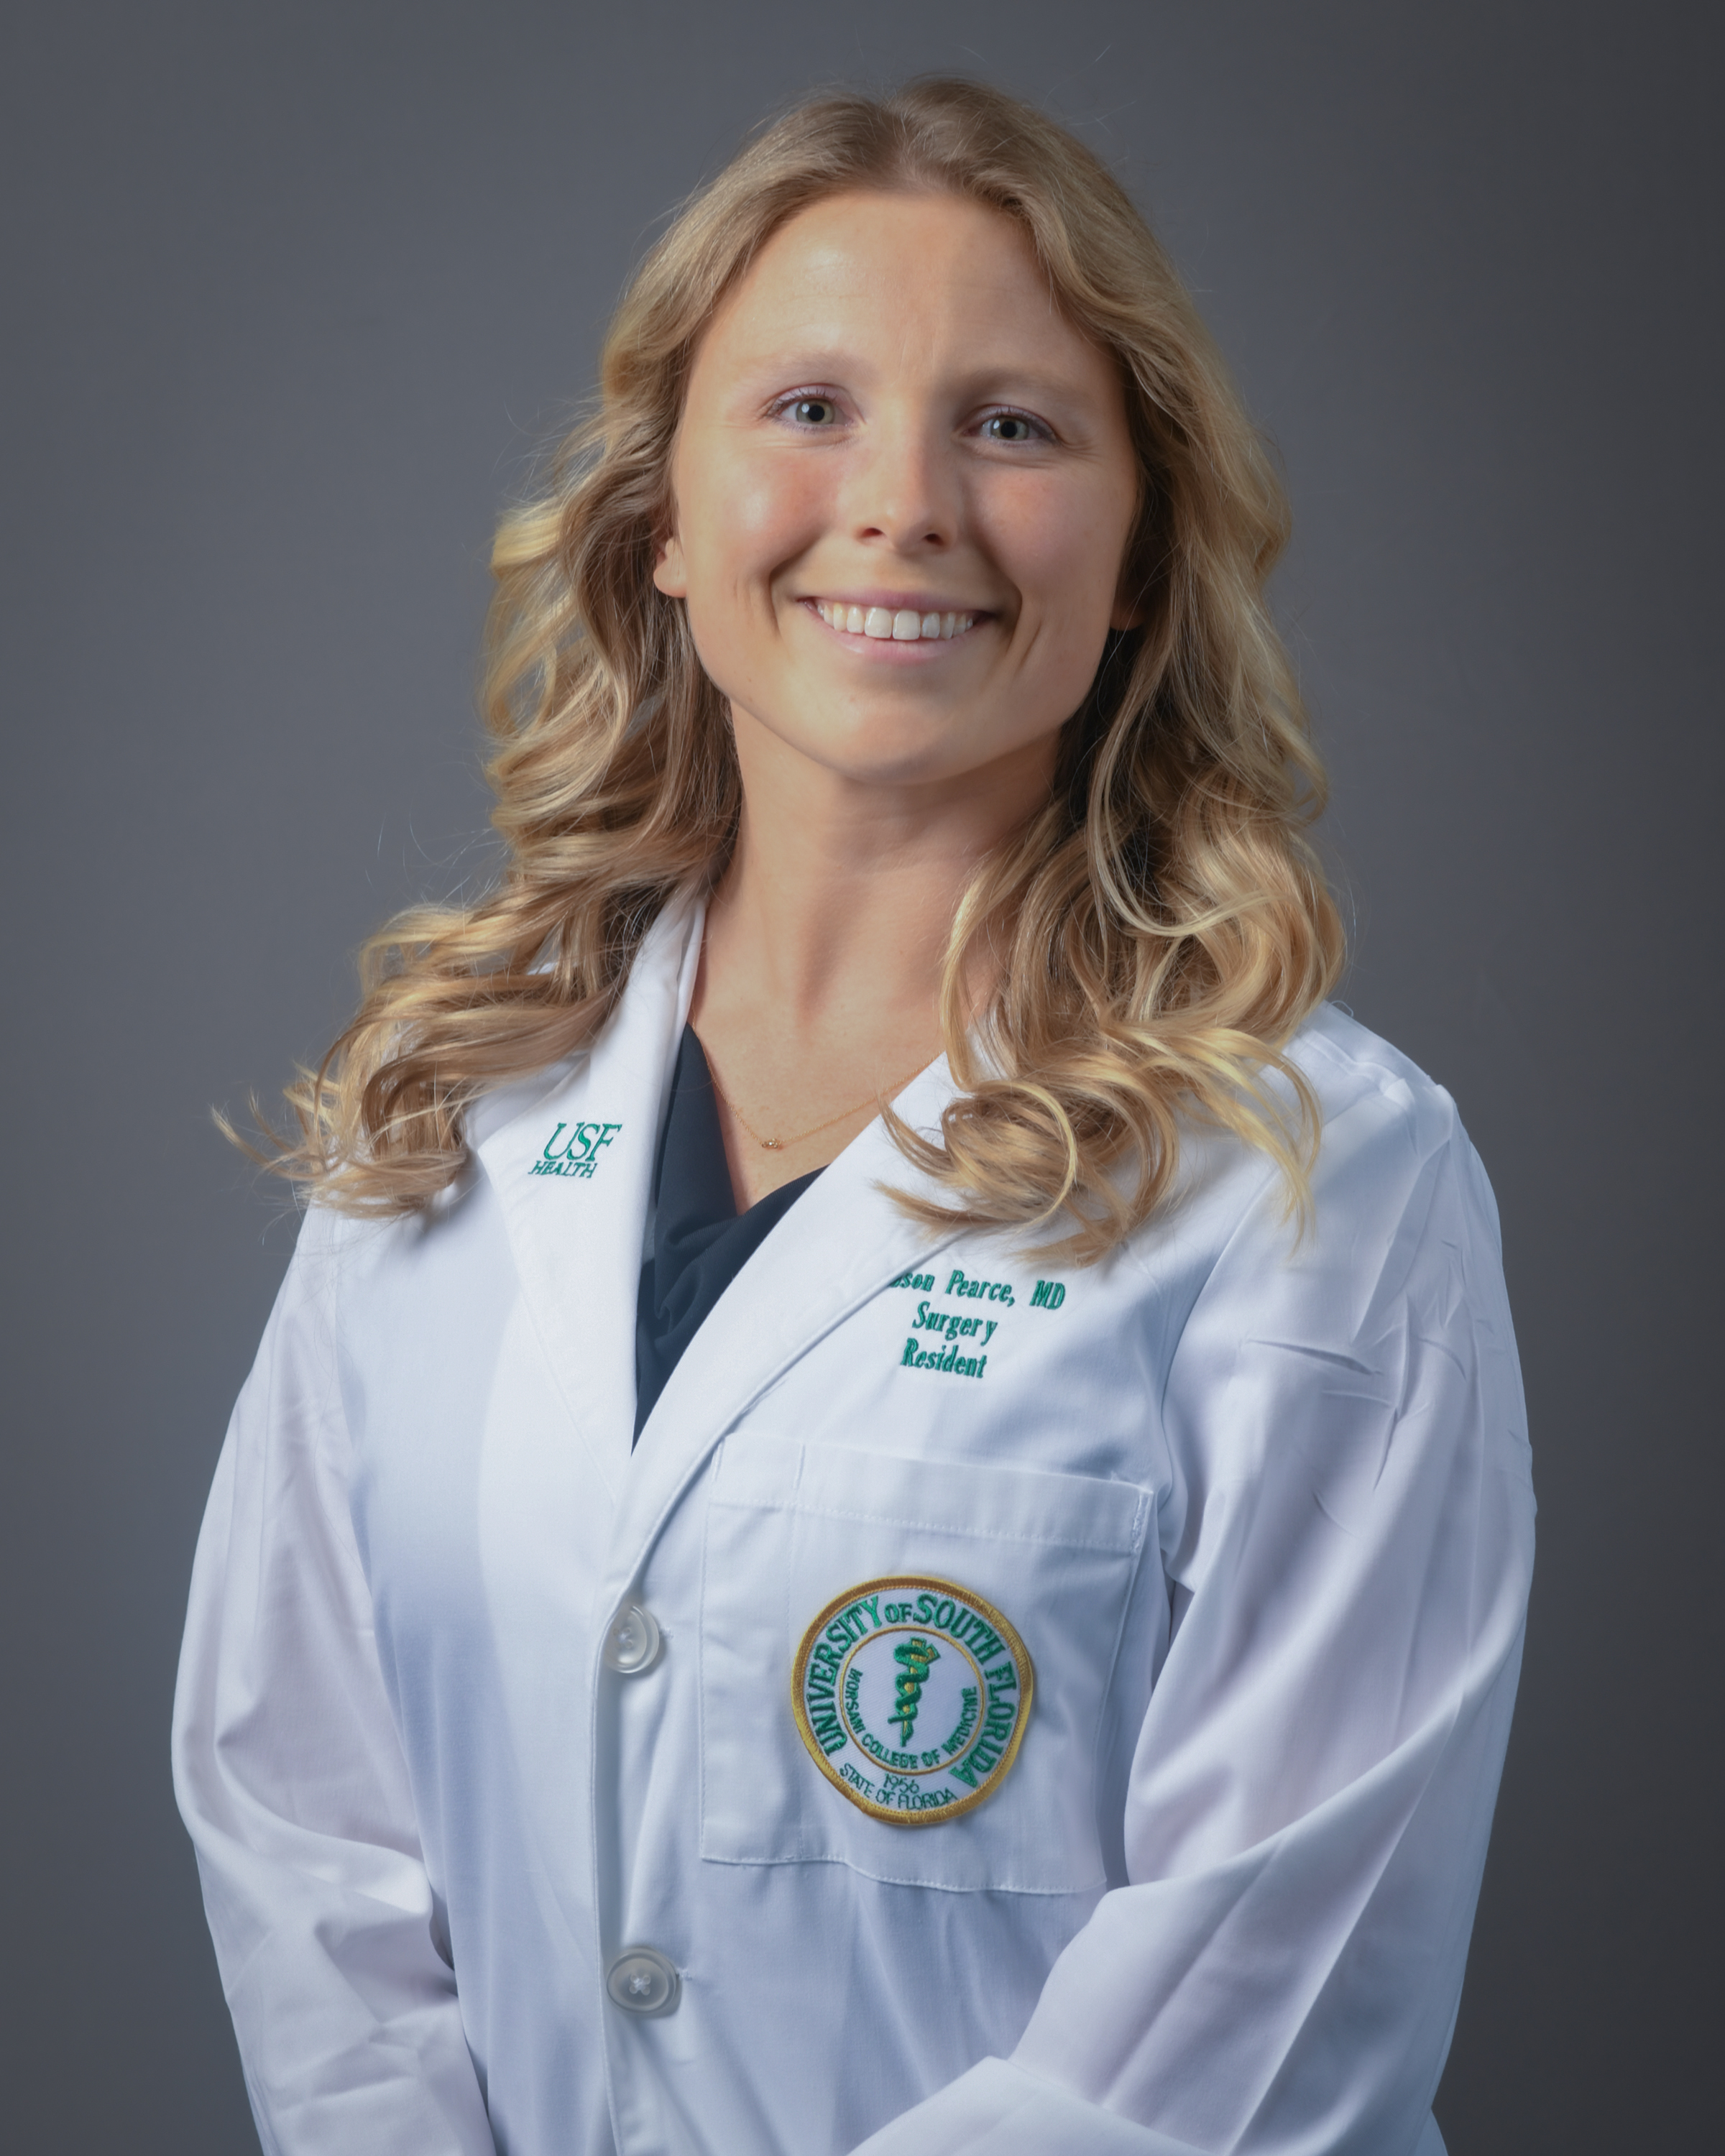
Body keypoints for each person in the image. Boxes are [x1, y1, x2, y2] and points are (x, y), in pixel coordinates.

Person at [172, 78, 1534, 2156]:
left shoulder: (1317, 1183)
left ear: (1146, 558)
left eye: (1012, 424)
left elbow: (1264, 2005)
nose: (901, 503)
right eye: (807, 407)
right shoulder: (452, 1116)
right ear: (662, 525)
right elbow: (299, 1819)